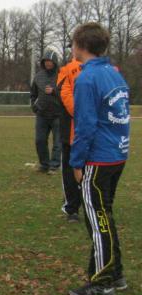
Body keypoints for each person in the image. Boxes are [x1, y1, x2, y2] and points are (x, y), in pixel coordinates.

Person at [67, 23, 130, 295]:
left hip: (99, 158)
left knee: (97, 219)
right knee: (105, 214)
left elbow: (86, 124)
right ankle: (116, 274)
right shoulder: (114, 74)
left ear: (80, 46)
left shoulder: (87, 79)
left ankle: (102, 281)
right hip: (117, 154)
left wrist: (77, 162)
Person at [57, 53, 82, 223]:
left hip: (76, 132)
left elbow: (64, 94)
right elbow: (63, 94)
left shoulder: (67, 70)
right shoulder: (68, 70)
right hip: (77, 130)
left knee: (72, 170)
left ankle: (74, 207)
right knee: (77, 170)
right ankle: (75, 206)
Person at [30, 50, 61, 173]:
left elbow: (67, 93)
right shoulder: (38, 76)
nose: (48, 63)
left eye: (50, 61)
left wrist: (54, 91)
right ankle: (44, 164)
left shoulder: (62, 75)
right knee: (40, 141)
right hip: (42, 114)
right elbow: (33, 94)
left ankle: (54, 165)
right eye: (46, 61)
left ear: (55, 62)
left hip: (58, 115)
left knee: (58, 142)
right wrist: (34, 106)